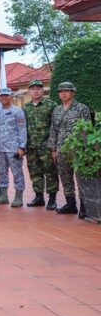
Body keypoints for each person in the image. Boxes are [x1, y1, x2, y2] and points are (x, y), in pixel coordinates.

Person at [49, 82, 91, 216]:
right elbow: (53, 130)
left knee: (81, 178)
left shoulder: (82, 108)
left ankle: (84, 206)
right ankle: (70, 204)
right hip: (61, 149)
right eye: (61, 91)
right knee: (65, 177)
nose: (63, 93)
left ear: (72, 93)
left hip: (77, 149)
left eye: (66, 91)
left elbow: (86, 129)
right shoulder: (57, 110)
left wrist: (85, 149)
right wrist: (53, 149)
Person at [22, 79, 58, 210]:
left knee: (51, 172)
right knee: (34, 172)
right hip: (31, 146)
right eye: (33, 89)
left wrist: (53, 146)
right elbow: (23, 128)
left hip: (46, 146)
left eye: (38, 88)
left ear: (43, 90)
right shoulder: (25, 107)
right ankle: (39, 197)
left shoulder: (51, 105)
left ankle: (52, 199)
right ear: (29, 91)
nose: (36, 91)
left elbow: (55, 127)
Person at [0, 87, 27, 207]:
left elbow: (22, 130)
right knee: (1, 172)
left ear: (11, 97)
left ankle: (18, 198)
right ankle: (3, 196)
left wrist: (22, 147)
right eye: (2, 96)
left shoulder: (18, 111)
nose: (4, 97)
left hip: (13, 148)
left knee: (17, 173)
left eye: (6, 95)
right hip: (0, 148)